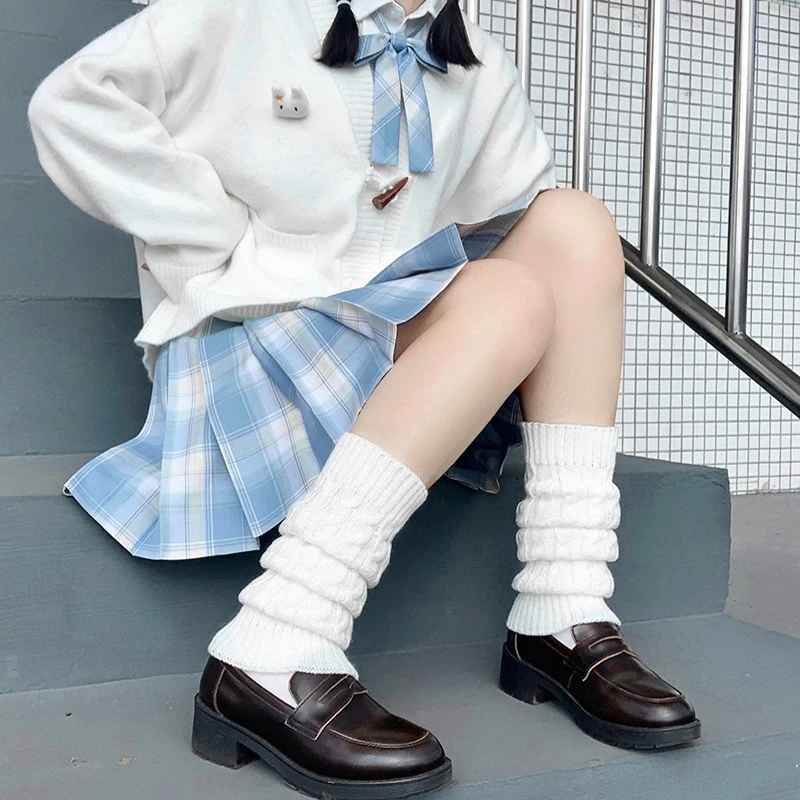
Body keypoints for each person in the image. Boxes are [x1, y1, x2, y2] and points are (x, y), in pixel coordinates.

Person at [26, 0, 701, 796]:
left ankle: (562, 605)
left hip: (371, 343)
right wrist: (218, 239)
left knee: (575, 221)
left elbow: (503, 219)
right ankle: (277, 637)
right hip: (250, 342)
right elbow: (71, 106)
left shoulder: (476, 60)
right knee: (509, 297)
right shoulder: (241, 9)